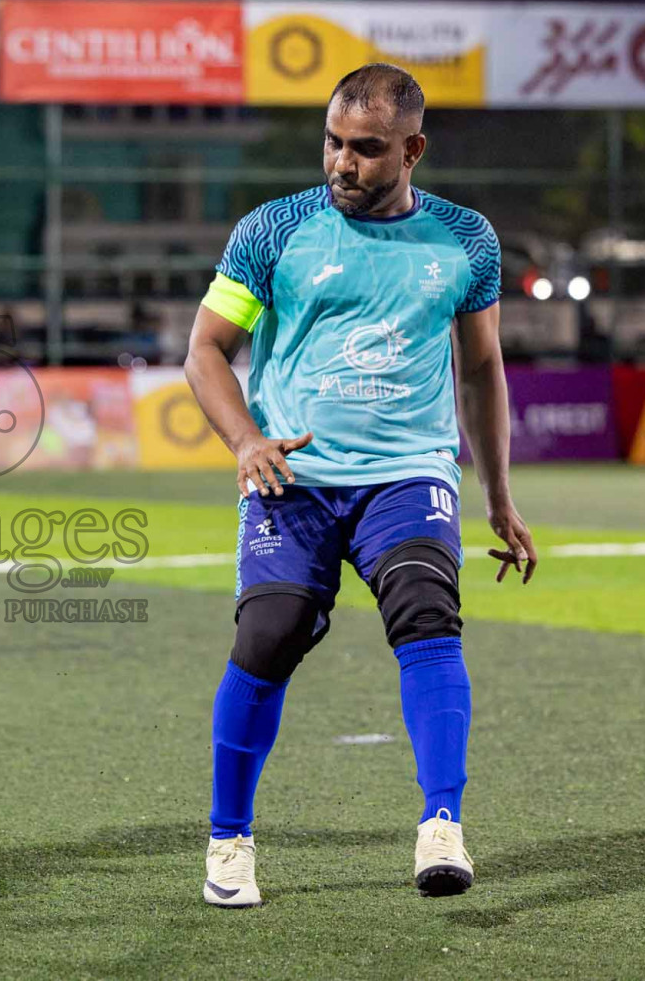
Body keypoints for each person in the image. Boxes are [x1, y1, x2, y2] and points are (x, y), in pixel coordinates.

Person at [184, 63, 538, 908]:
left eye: (368, 150)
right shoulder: (272, 230)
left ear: (413, 149)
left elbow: (483, 369)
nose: (342, 164)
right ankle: (228, 841)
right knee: (268, 636)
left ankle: (441, 825)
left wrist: (499, 497)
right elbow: (204, 351)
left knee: (426, 609)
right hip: (294, 477)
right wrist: (244, 440)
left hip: (409, 472)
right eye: (334, 144)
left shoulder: (466, 240)